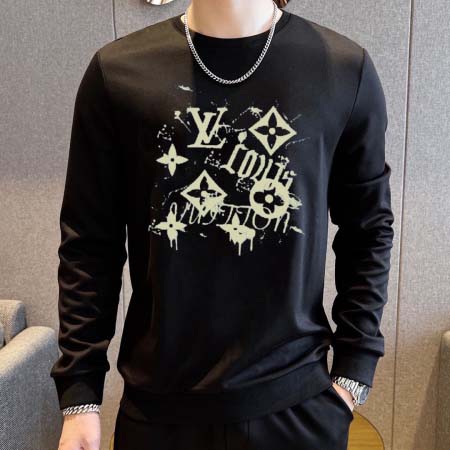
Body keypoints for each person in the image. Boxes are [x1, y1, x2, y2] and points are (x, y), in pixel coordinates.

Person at [50, 0, 395, 449]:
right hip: (160, 414)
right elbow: (89, 244)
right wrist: (80, 395)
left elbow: (368, 230)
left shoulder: (343, 70)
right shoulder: (117, 74)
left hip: (298, 410)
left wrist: (354, 371)